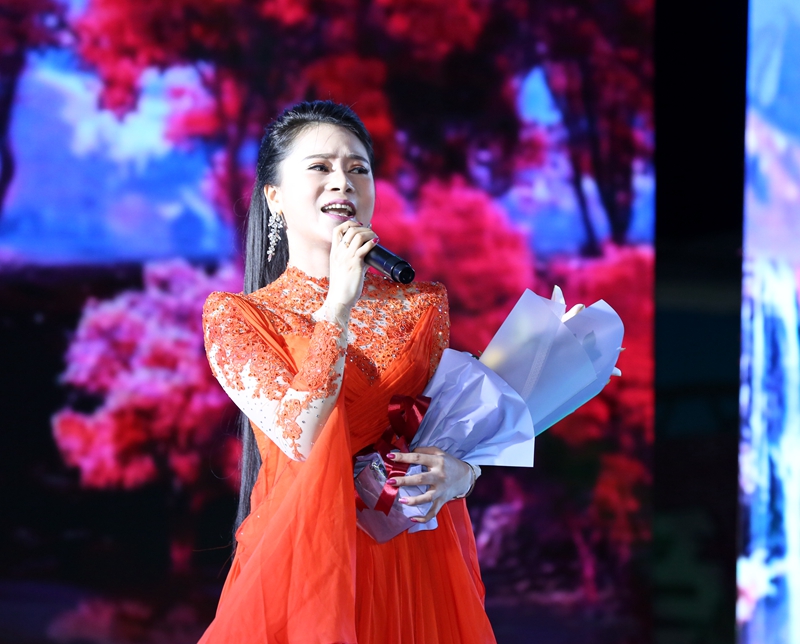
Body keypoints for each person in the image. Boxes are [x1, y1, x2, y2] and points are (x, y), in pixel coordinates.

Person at [199, 100, 497, 643]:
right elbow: (304, 435)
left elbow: (443, 432)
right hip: (305, 560)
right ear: (274, 196)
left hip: (414, 558)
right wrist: (338, 304)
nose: (343, 181)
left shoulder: (421, 306)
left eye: (358, 168)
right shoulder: (238, 318)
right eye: (320, 167)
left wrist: (462, 474)